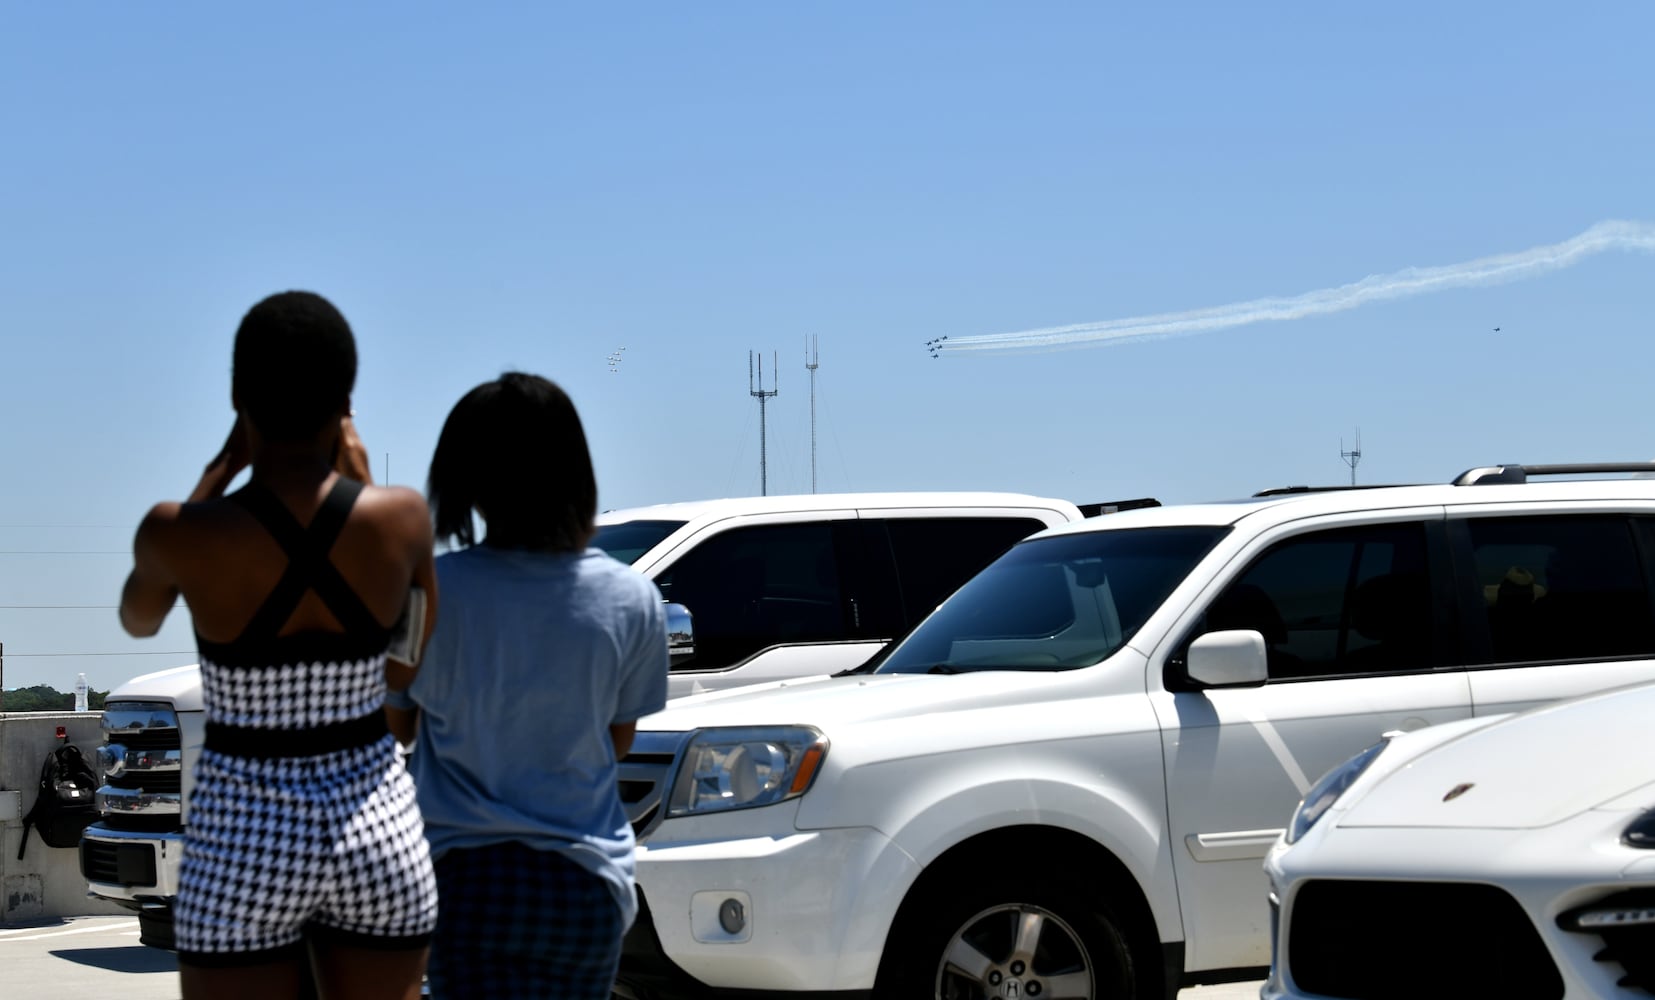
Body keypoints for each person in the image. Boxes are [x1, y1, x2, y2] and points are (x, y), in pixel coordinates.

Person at [119, 291, 438, 1000]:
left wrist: (214, 475)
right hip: (374, 827)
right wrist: (358, 478)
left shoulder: (180, 532)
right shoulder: (405, 520)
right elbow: (408, 658)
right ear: (345, 400)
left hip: (243, 832)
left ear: (238, 397)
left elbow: (138, 618)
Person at [388, 372, 669, 999]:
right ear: (575, 473)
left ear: (466, 482)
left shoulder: (427, 591)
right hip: (587, 878)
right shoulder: (632, 598)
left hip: (465, 880)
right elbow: (619, 739)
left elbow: (398, 722)